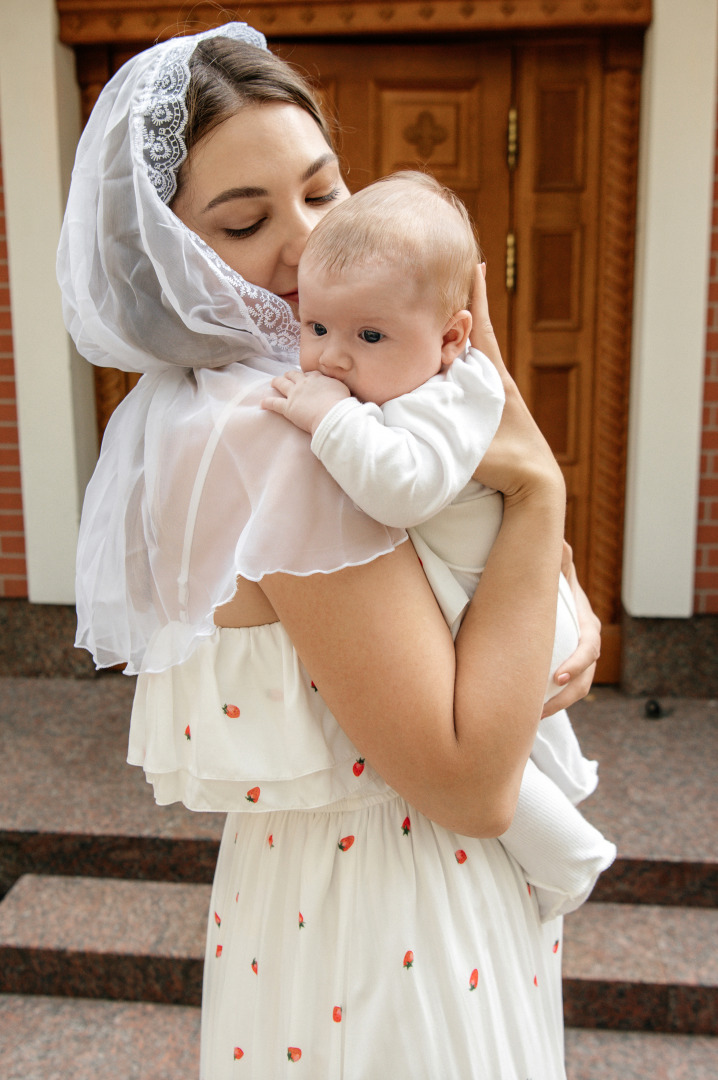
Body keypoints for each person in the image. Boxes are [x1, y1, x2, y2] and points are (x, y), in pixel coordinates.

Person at [58, 23, 601, 1079]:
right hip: (399, 907)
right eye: (247, 219)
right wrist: (539, 488)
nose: (308, 243)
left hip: (307, 895)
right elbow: (467, 782)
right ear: (166, 255)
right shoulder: (274, 432)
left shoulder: (301, 394)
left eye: (324, 188)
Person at [262, 170, 615, 921]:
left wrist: (328, 420)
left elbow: (404, 488)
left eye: (368, 336)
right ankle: (569, 836)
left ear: (453, 337)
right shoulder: (404, 377)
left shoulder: (456, 394)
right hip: (483, 593)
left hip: (503, 607)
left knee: (505, 772)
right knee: (521, 758)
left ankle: (575, 860)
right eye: (316, 328)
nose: (331, 359)